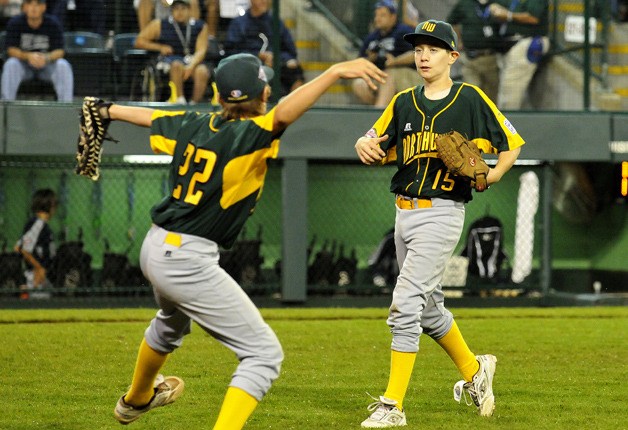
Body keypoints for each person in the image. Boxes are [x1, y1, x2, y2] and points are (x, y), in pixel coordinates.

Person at [107, 53, 385, 428]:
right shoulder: (249, 133)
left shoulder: (195, 122)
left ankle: (136, 399)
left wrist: (108, 109)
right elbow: (285, 114)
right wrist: (333, 71)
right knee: (263, 355)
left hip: (155, 246)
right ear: (264, 93)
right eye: (266, 84)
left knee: (171, 322)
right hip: (187, 256)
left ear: (218, 97)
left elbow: (152, 117)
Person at [354, 19, 524, 428]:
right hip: (404, 213)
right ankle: (474, 371)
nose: (423, 55)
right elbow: (372, 139)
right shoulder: (404, 101)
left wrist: (491, 175)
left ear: (452, 56)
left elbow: (512, 144)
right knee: (429, 311)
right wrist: (363, 142)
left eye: (433, 48)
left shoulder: (470, 98)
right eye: (418, 48)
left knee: (405, 304)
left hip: (443, 212)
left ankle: (392, 405)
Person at [135, 0, 210, 104]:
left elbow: (201, 50)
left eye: (183, 9)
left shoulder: (200, 26)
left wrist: (191, 65)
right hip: (170, 61)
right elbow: (139, 41)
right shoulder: (160, 24)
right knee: (176, 65)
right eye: (176, 9)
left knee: (202, 71)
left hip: (192, 61)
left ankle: (194, 103)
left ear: (189, 10)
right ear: (171, 11)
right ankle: (180, 100)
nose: (180, 12)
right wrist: (160, 47)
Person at [224, 0, 304, 97]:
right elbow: (230, 52)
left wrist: (277, 57)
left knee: (296, 71)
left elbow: (290, 51)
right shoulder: (239, 23)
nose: (264, 1)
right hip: (249, 66)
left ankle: (291, 107)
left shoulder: (276, 22)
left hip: (276, 66)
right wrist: (257, 56)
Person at [1, 0, 73, 102]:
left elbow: (60, 51)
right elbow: (11, 50)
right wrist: (28, 56)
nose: (33, 8)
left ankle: (66, 107)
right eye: (30, 4)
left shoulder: (53, 23)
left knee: (63, 65)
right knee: (11, 64)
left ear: (44, 7)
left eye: (38, 4)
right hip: (24, 66)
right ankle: (6, 107)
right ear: (24, 7)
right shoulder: (15, 23)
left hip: (46, 66)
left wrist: (46, 58)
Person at [352, 0, 416, 108]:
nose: (377, 18)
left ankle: (379, 111)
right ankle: (382, 110)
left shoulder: (403, 31)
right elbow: (358, 62)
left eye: (382, 15)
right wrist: (370, 59)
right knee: (359, 83)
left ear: (393, 17)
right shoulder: (372, 37)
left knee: (388, 74)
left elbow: (416, 54)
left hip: (408, 77)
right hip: (380, 76)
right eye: (376, 15)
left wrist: (394, 61)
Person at [488, 0, 549, 109]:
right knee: (507, 90)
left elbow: (533, 17)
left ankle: (508, 123)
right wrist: (495, 7)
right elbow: (497, 4)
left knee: (510, 93)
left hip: (526, 42)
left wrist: (509, 16)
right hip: (510, 44)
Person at [447, 0, 501, 102]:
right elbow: (452, 22)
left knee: (492, 98)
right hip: (469, 59)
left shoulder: (497, 3)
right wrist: (459, 41)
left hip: (491, 58)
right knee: (471, 95)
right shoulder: (464, 4)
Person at [14, 188, 57, 300]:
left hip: (42, 275)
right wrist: (39, 268)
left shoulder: (39, 224)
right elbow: (21, 248)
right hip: (36, 276)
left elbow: (18, 246)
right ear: (49, 205)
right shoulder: (38, 224)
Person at [136, 0, 200, 31]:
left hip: (182, 29)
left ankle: (192, 35)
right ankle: (146, 36)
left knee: (193, 2)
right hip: (160, 29)